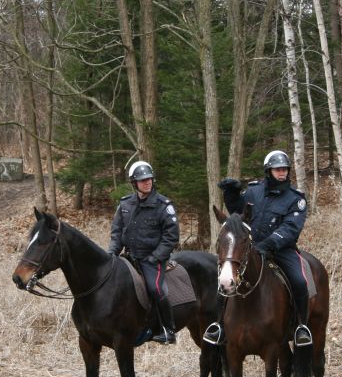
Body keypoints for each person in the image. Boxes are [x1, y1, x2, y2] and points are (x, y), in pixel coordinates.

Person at [203, 149, 312, 347]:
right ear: (268, 171)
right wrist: (231, 193)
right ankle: (218, 325)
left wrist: (268, 244)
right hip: (249, 249)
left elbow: (291, 228)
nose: (282, 173)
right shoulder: (254, 191)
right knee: (225, 280)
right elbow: (238, 213)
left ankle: (300, 327)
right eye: (277, 169)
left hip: (281, 250)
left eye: (284, 169)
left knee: (299, 281)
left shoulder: (296, 199)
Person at [108, 160, 180, 344]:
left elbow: (171, 237)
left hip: (152, 259)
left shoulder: (164, 205)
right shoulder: (125, 204)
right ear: (134, 183)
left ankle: (168, 330)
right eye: (142, 180)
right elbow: (116, 232)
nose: (147, 182)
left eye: (149, 179)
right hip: (128, 256)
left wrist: (156, 256)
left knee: (155, 289)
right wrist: (112, 253)